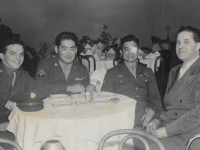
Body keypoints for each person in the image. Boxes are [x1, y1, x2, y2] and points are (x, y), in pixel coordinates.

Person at [140, 26, 200, 150]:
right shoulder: (174, 71)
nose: (180, 46)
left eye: (186, 42)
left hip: (189, 133)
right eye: (178, 42)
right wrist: (156, 120)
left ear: (198, 46)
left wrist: (167, 131)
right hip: (168, 125)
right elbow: (167, 105)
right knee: (131, 141)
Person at [101, 35, 161, 127]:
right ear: (121, 52)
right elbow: (105, 99)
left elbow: (155, 97)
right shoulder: (112, 72)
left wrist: (151, 111)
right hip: (123, 117)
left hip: (147, 116)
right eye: (126, 49)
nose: (130, 52)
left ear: (137, 51)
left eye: (133, 49)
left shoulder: (147, 71)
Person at [0, 39, 50, 142]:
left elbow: (44, 89)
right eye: (13, 53)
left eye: (21, 54)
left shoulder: (22, 74)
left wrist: (17, 100)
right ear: (1, 56)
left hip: (14, 123)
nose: (18, 58)